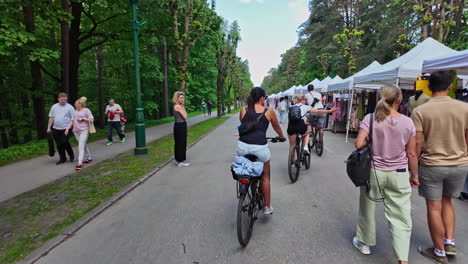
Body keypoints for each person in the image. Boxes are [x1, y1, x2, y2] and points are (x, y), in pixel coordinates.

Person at [352, 86, 419, 264]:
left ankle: (364, 243)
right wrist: (415, 176)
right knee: (401, 215)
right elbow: (411, 154)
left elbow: (359, 144)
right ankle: (402, 258)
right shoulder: (408, 122)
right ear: (398, 100)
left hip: (374, 171)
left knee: (368, 207)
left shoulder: (370, 119)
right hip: (399, 173)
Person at [411, 71, 468, 264]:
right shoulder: (464, 107)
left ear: (428, 87)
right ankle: (449, 242)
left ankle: (439, 252)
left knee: (434, 207)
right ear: (450, 86)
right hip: (459, 163)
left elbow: (417, 144)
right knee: (448, 202)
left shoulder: (420, 111)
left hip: (432, 164)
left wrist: (414, 171)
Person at [237, 87, 285, 215]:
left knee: (246, 167)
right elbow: (277, 128)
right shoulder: (269, 112)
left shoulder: (243, 110)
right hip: (259, 147)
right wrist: (281, 137)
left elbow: (244, 125)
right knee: (265, 176)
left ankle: (246, 182)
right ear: (262, 98)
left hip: (242, 147)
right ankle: (267, 207)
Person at [47, 93, 75, 165]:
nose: (63, 101)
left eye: (65, 99)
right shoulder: (54, 107)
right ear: (58, 99)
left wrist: (69, 128)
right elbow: (51, 118)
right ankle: (62, 158)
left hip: (66, 129)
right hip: (56, 129)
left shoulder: (70, 107)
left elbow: (73, 119)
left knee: (64, 142)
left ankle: (71, 155)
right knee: (59, 144)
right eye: (62, 99)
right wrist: (49, 127)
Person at [67, 97, 94, 170]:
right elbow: (72, 121)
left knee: (81, 145)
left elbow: (91, 119)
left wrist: (83, 119)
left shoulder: (86, 110)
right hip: (76, 131)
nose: (74, 105)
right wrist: (70, 128)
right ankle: (89, 157)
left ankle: (80, 162)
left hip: (84, 131)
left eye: (75, 104)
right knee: (83, 145)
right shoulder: (75, 112)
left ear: (80, 104)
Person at [173, 91, 190, 167]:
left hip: (182, 124)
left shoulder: (180, 106)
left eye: (183, 97)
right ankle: (180, 161)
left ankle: (181, 160)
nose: (182, 99)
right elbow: (185, 116)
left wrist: (183, 107)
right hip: (180, 125)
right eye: (180, 98)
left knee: (182, 142)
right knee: (180, 143)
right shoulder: (178, 106)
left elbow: (186, 115)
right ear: (177, 98)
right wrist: (183, 107)